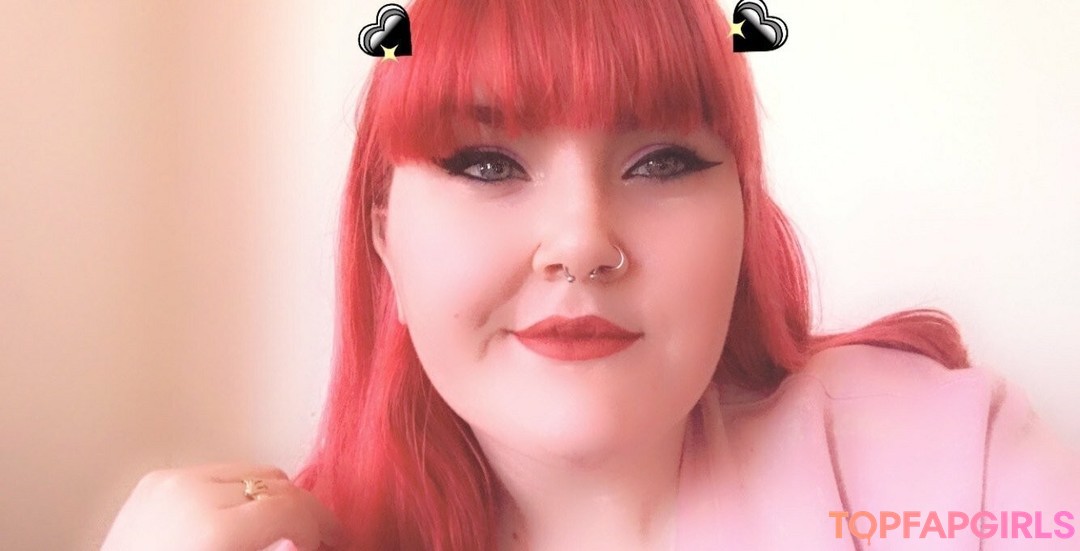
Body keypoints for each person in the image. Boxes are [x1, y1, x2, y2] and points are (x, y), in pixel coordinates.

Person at [101, 0, 1080, 549]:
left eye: (662, 161)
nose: (581, 242)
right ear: (384, 238)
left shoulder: (955, 464)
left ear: (744, 215)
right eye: (487, 164)